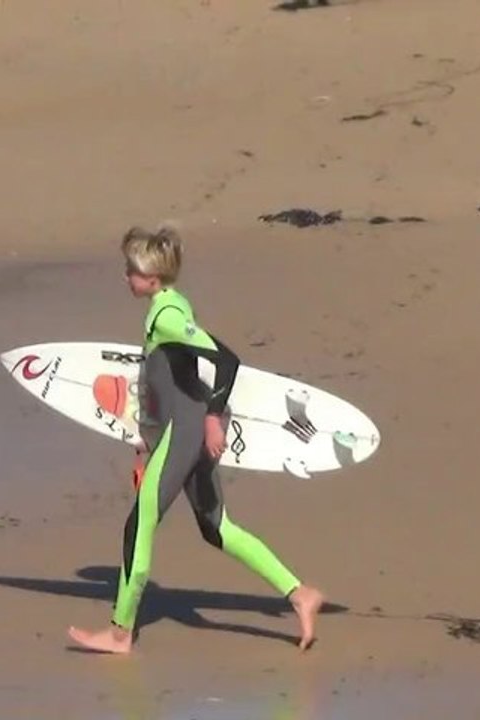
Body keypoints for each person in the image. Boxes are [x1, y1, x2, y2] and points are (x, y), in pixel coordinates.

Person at [67, 224, 325, 654]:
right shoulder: (172, 303)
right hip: (178, 431)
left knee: (139, 525)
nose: (125, 276)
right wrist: (146, 443)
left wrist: (212, 419)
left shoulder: (167, 316)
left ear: (151, 279)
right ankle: (300, 593)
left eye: (131, 271)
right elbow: (168, 383)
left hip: (184, 432)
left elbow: (227, 361)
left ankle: (119, 632)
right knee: (216, 527)